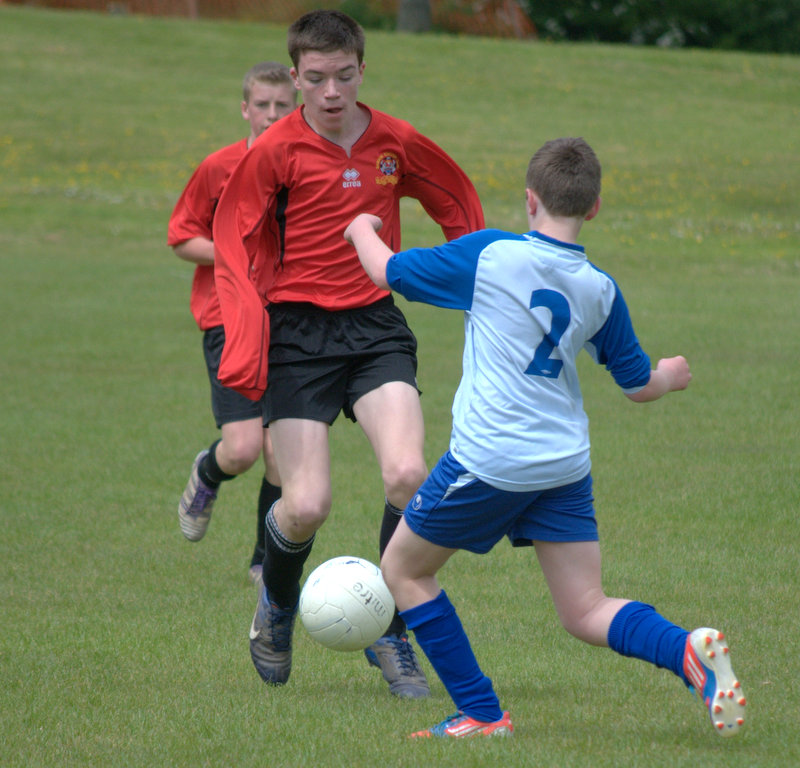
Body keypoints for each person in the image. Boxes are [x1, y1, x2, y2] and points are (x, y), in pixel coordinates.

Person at [343, 137, 746, 738]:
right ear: (595, 208)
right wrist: (673, 374)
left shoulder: (491, 255)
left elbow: (385, 270)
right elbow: (638, 384)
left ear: (529, 200)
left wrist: (360, 226)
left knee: (403, 571)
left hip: (490, 461)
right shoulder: (599, 289)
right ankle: (686, 650)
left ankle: (481, 714)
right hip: (562, 464)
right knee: (585, 608)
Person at [212, 10, 485, 697]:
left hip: (373, 328)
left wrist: (470, 281)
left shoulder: (394, 141)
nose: (330, 92)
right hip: (298, 338)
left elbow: (457, 203)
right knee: (305, 506)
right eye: (314, 79)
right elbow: (232, 239)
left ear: (362, 70)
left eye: (343, 76)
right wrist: (247, 336)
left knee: (409, 474)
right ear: (297, 76)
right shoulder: (274, 148)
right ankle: (276, 605)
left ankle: (390, 627)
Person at [167, 62, 297, 583]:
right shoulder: (218, 168)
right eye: (261, 105)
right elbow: (181, 238)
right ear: (245, 109)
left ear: (297, 108)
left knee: (281, 451)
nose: (271, 115)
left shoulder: (305, 168)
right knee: (243, 449)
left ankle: (265, 561)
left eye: (281, 106)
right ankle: (207, 471)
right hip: (228, 318)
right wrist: (234, 254)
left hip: (288, 321)